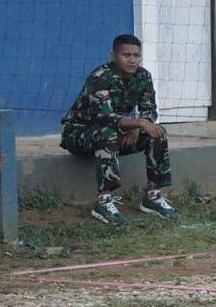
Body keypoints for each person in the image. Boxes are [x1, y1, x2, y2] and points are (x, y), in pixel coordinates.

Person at [61, 34, 179, 225]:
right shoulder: (100, 77)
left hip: (117, 132)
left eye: (136, 55)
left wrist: (140, 125)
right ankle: (104, 202)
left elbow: (149, 110)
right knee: (107, 133)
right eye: (126, 55)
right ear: (113, 56)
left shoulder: (143, 76)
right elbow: (104, 117)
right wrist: (138, 123)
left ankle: (153, 197)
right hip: (79, 134)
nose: (132, 60)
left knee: (157, 133)